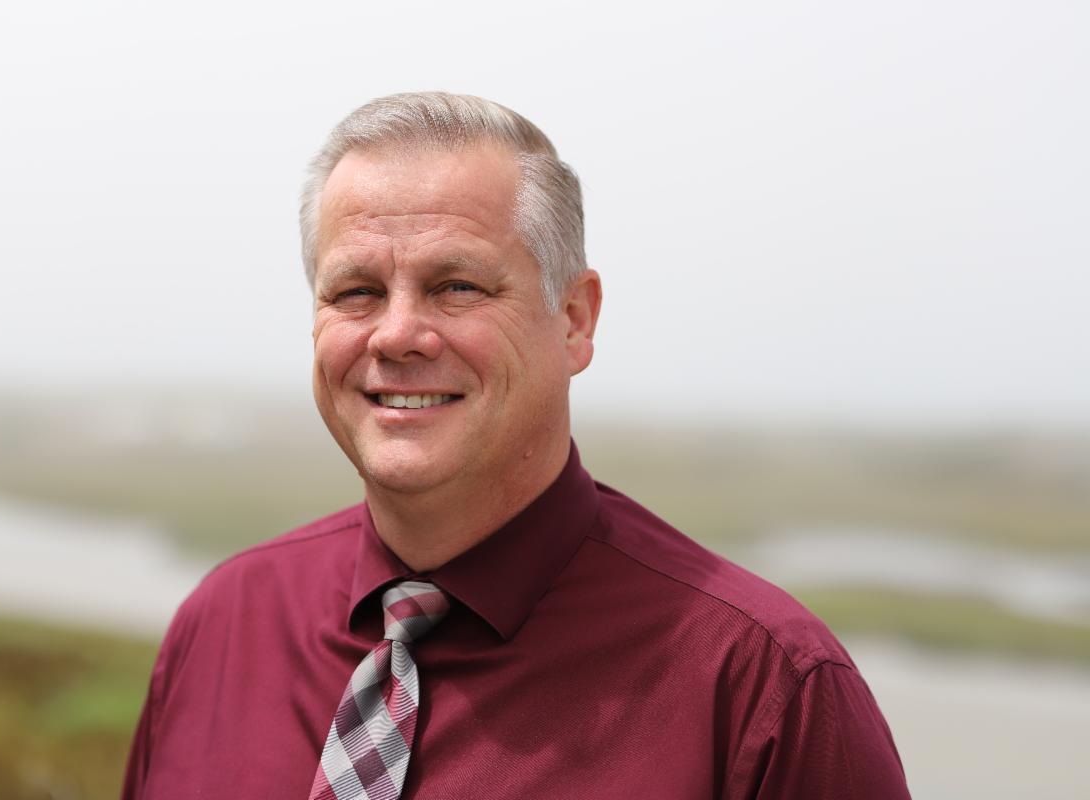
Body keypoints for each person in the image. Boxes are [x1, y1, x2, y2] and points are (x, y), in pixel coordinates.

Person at [122, 92, 911, 800]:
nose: (397, 334)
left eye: (457, 286)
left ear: (574, 319)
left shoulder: (762, 691)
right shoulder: (224, 625)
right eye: (356, 291)